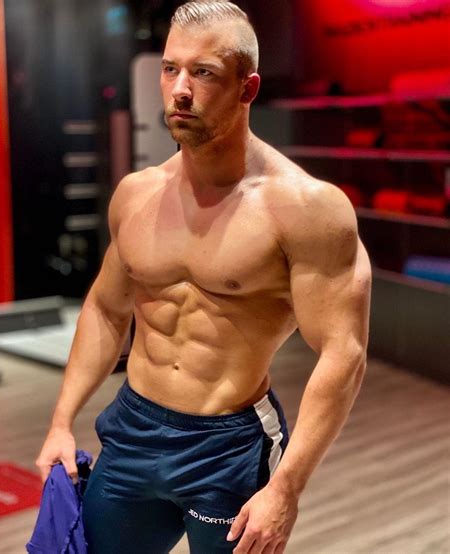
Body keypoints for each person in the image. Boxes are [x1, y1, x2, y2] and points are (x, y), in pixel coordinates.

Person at [36, 1, 372, 553]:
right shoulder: (136, 195)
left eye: (204, 72)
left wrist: (286, 488)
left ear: (247, 88)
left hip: (228, 446)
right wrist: (60, 421)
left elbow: (344, 352)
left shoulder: (307, 209)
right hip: (134, 428)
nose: (180, 90)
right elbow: (105, 309)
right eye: (170, 68)